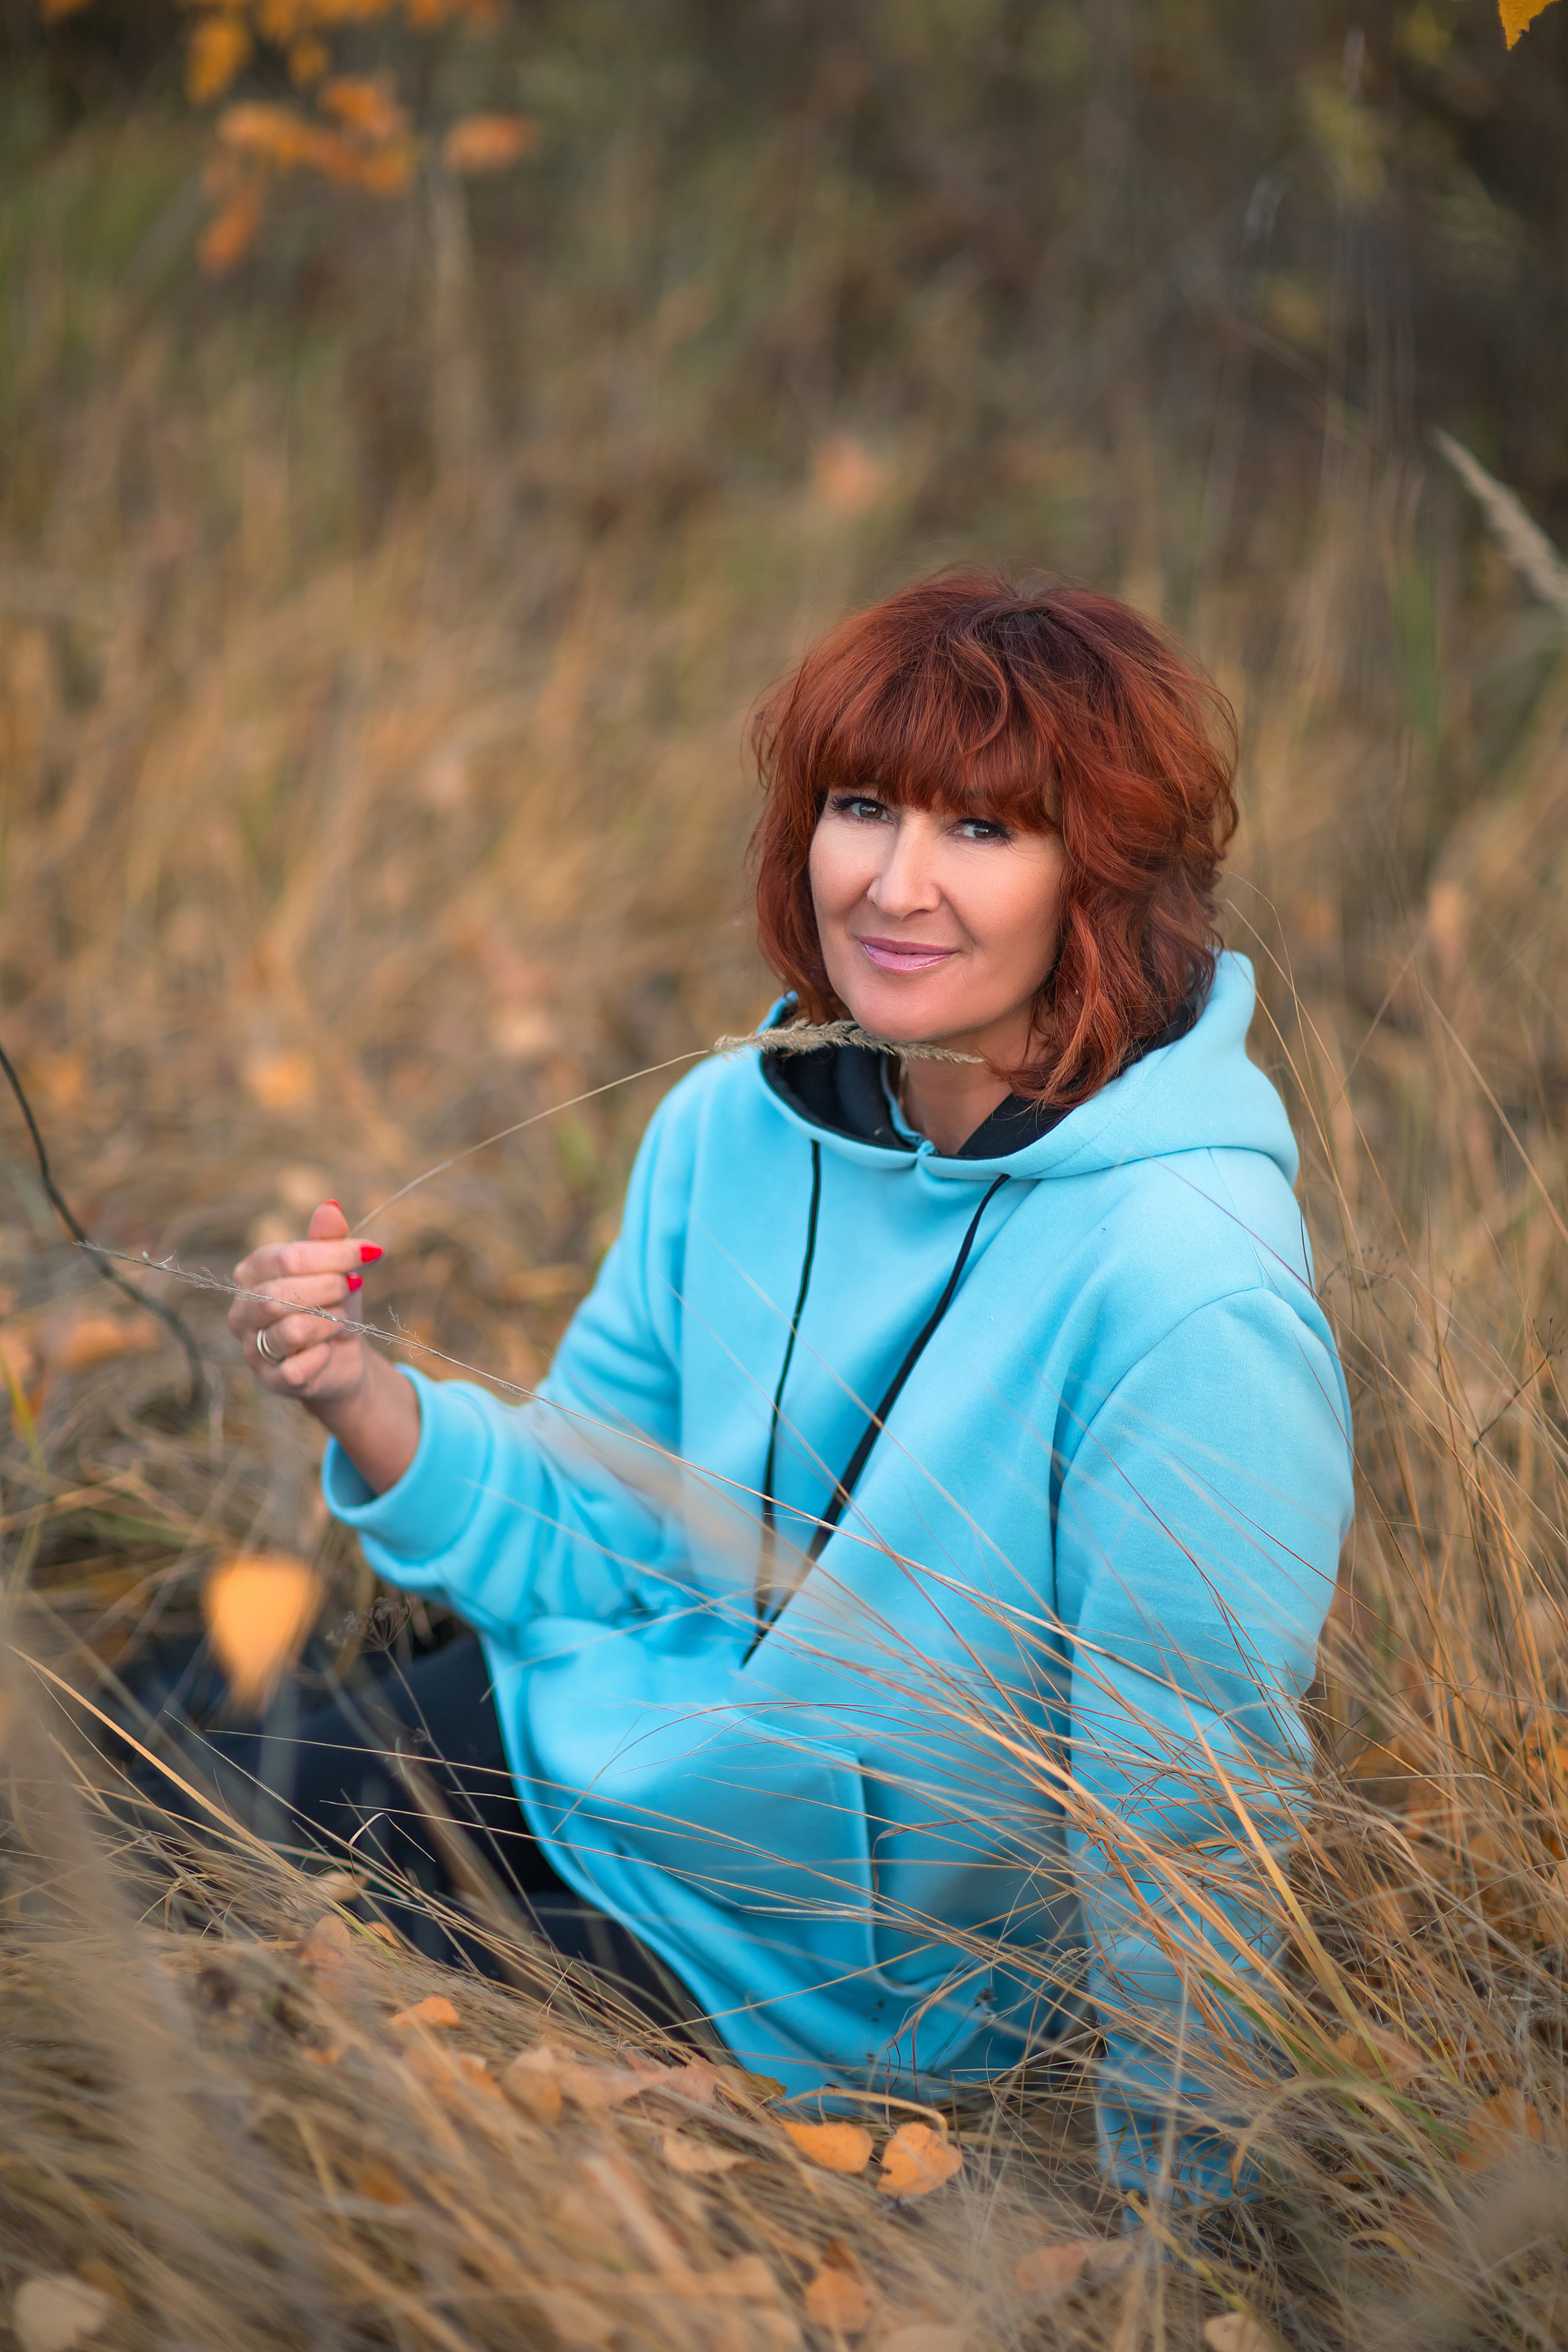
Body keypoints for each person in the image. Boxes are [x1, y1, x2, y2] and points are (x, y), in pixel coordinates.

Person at [227, 571, 1354, 2211]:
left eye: (985, 829)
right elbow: (612, 1525)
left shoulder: (1185, 1279)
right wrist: (364, 1397)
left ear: (1103, 879)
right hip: (602, 1740)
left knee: (245, 1981)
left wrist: (1177, 2215)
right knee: (123, 1806)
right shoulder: (735, 1123)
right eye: (861, 806)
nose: (895, 886)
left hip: (837, 1984)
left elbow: (1187, 1789)